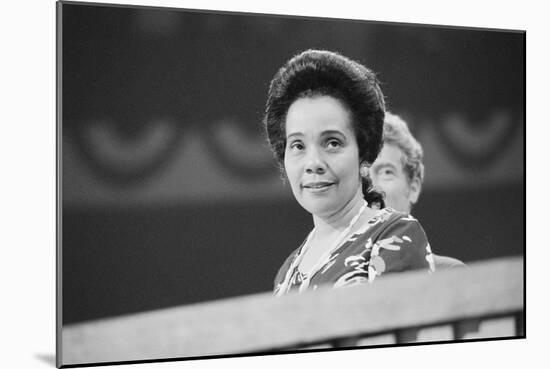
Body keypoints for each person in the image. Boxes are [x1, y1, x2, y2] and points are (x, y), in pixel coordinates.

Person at [263, 50, 435, 296]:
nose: (313, 163)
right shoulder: (287, 271)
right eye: (298, 146)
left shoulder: (393, 235)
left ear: (363, 153)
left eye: (332, 143)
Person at [369, 112, 465, 269]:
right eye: (362, 175)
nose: (371, 188)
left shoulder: (448, 273)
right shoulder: (326, 279)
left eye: (387, 172)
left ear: (413, 187)